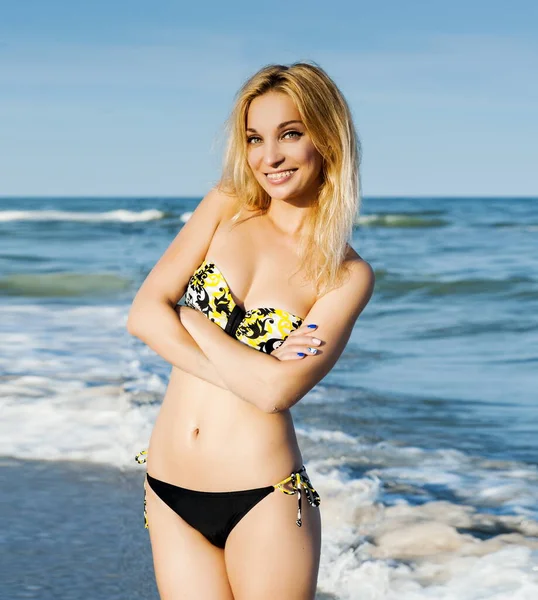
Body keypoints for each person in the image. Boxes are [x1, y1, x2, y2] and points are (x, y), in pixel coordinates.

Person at [126, 62, 375, 600]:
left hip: (264, 498)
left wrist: (192, 319)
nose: (270, 157)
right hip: (168, 489)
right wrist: (246, 363)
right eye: (255, 138)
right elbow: (144, 313)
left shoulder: (345, 274)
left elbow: (276, 391)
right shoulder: (225, 206)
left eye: (290, 134)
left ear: (327, 138)